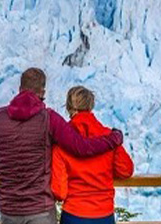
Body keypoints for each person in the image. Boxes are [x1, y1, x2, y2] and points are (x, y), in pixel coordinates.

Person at [0, 68, 124, 224]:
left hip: (9, 209)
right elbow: (81, 147)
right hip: (41, 209)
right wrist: (113, 139)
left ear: (20, 89)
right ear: (42, 91)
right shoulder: (49, 119)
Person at [51, 86, 134, 224]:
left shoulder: (61, 144)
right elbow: (126, 170)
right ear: (91, 105)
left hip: (74, 214)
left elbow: (59, 191)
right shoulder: (109, 138)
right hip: (104, 214)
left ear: (68, 106)